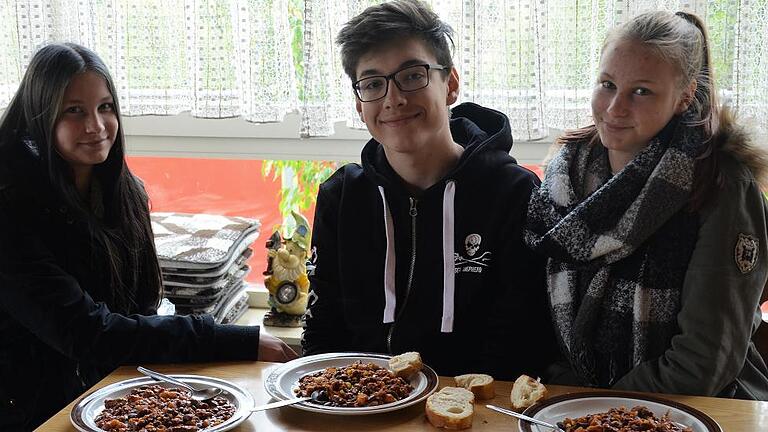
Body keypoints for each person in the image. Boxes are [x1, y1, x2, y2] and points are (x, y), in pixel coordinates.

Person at [0, 43, 297, 430]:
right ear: (40, 115)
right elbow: (85, 332)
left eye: (105, 107)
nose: (96, 126)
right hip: (27, 411)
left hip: (105, 394)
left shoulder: (124, 191)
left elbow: (138, 312)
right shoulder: (9, 206)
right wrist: (228, 338)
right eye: (74, 111)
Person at [301, 0, 558, 380]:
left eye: (411, 75)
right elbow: (323, 332)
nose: (393, 99)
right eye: (373, 84)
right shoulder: (341, 197)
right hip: (362, 406)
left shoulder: (515, 193)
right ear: (359, 105)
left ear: (449, 84)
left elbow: (517, 344)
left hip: (475, 409)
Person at [525, 10, 768, 399]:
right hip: (573, 395)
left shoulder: (720, 183)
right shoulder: (565, 171)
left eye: (641, 91)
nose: (614, 108)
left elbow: (704, 362)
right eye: (607, 84)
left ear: (684, 96)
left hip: (701, 405)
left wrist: (598, 409)